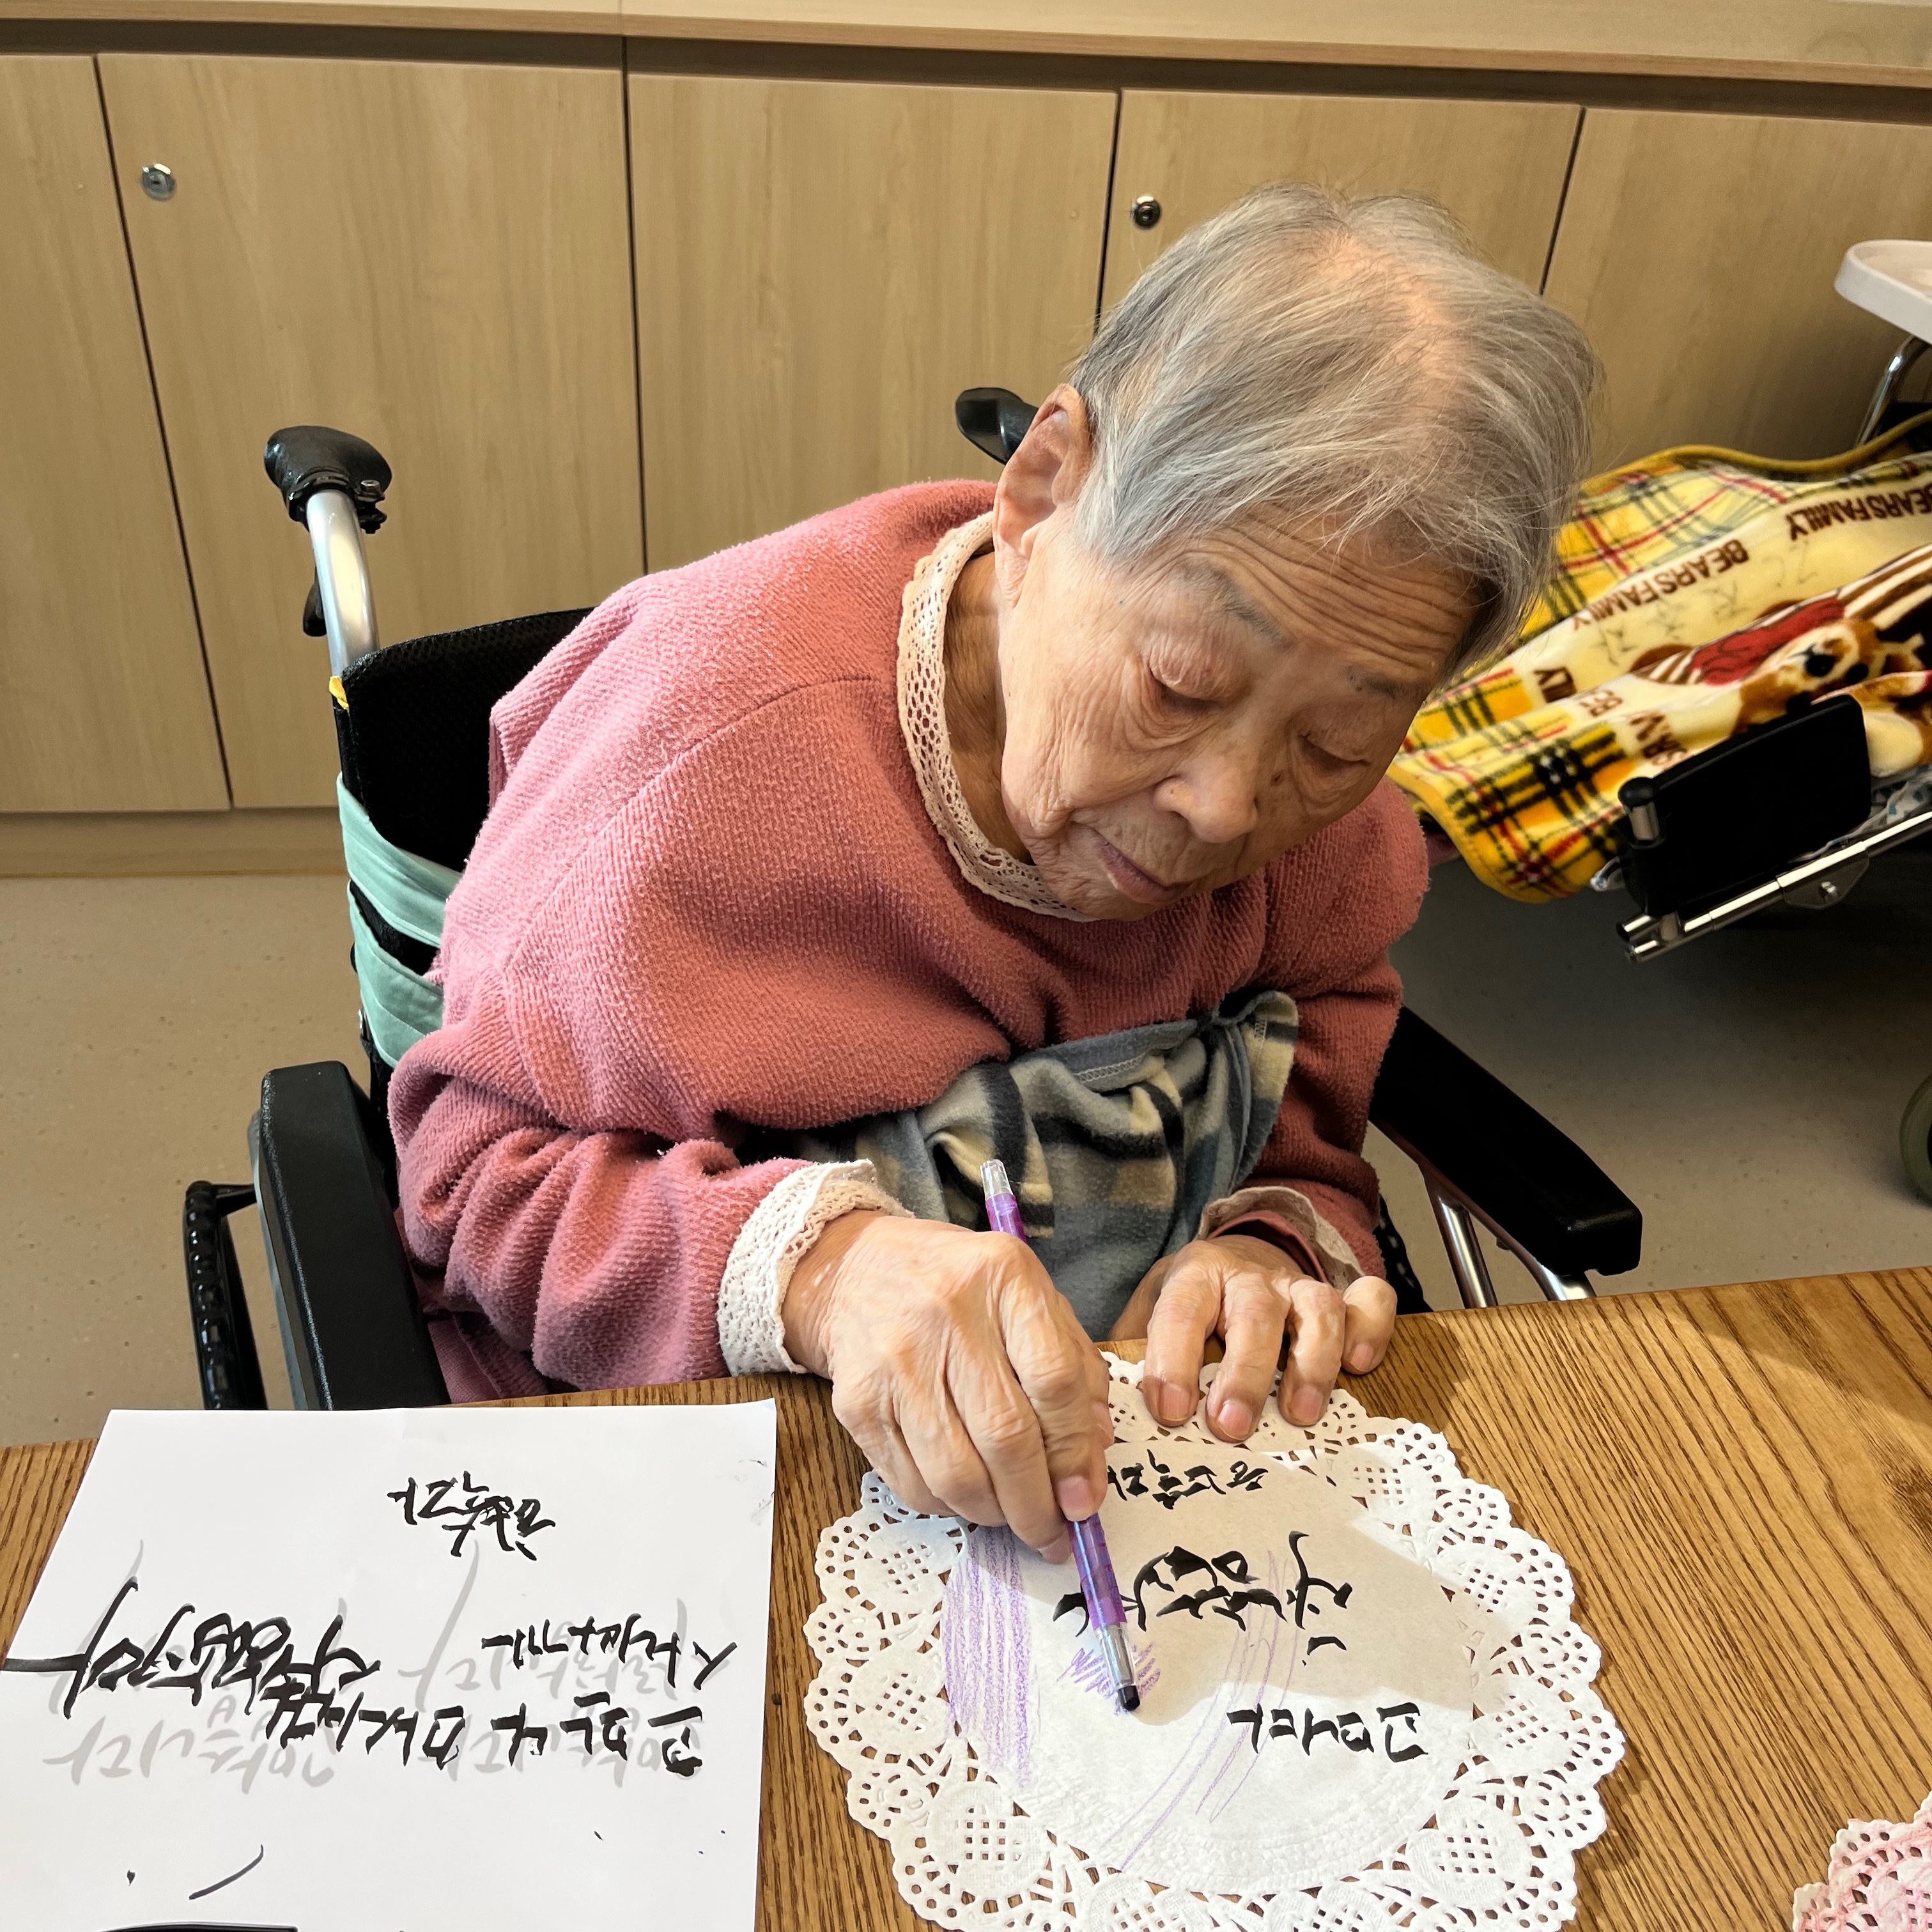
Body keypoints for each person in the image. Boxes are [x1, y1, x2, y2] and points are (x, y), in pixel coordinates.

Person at [390, 183, 1596, 1565]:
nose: (1225, 811)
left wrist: (1268, 1252)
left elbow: (1301, 1145)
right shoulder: (694, 754)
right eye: (1179, 683)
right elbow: (470, 1188)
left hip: (1113, 1502)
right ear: (1044, 488)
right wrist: (820, 1270)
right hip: (688, 1478)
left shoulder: (1336, 849)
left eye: (1334, 745)